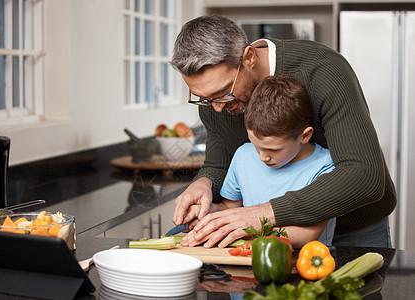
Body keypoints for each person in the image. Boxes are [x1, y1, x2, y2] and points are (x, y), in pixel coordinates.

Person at [170, 15, 396, 249]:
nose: (216, 107)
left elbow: (364, 174)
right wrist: (204, 182)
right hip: (262, 233)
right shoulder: (215, 101)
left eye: (223, 91)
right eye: (204, 98)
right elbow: (220, 164)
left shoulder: (323, 71)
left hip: (354, 228)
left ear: (248, 57)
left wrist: (264, 213)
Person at [185, 75, 336, 248]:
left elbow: (306, 235)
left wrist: (249, 231)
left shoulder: (326, 166)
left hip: (308, 263)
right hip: (248, 259)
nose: (262, 157)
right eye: (256, 146)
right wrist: (205, 213)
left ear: (305, 136)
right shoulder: (243, 155)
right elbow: (229, 208)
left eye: (274, 149)